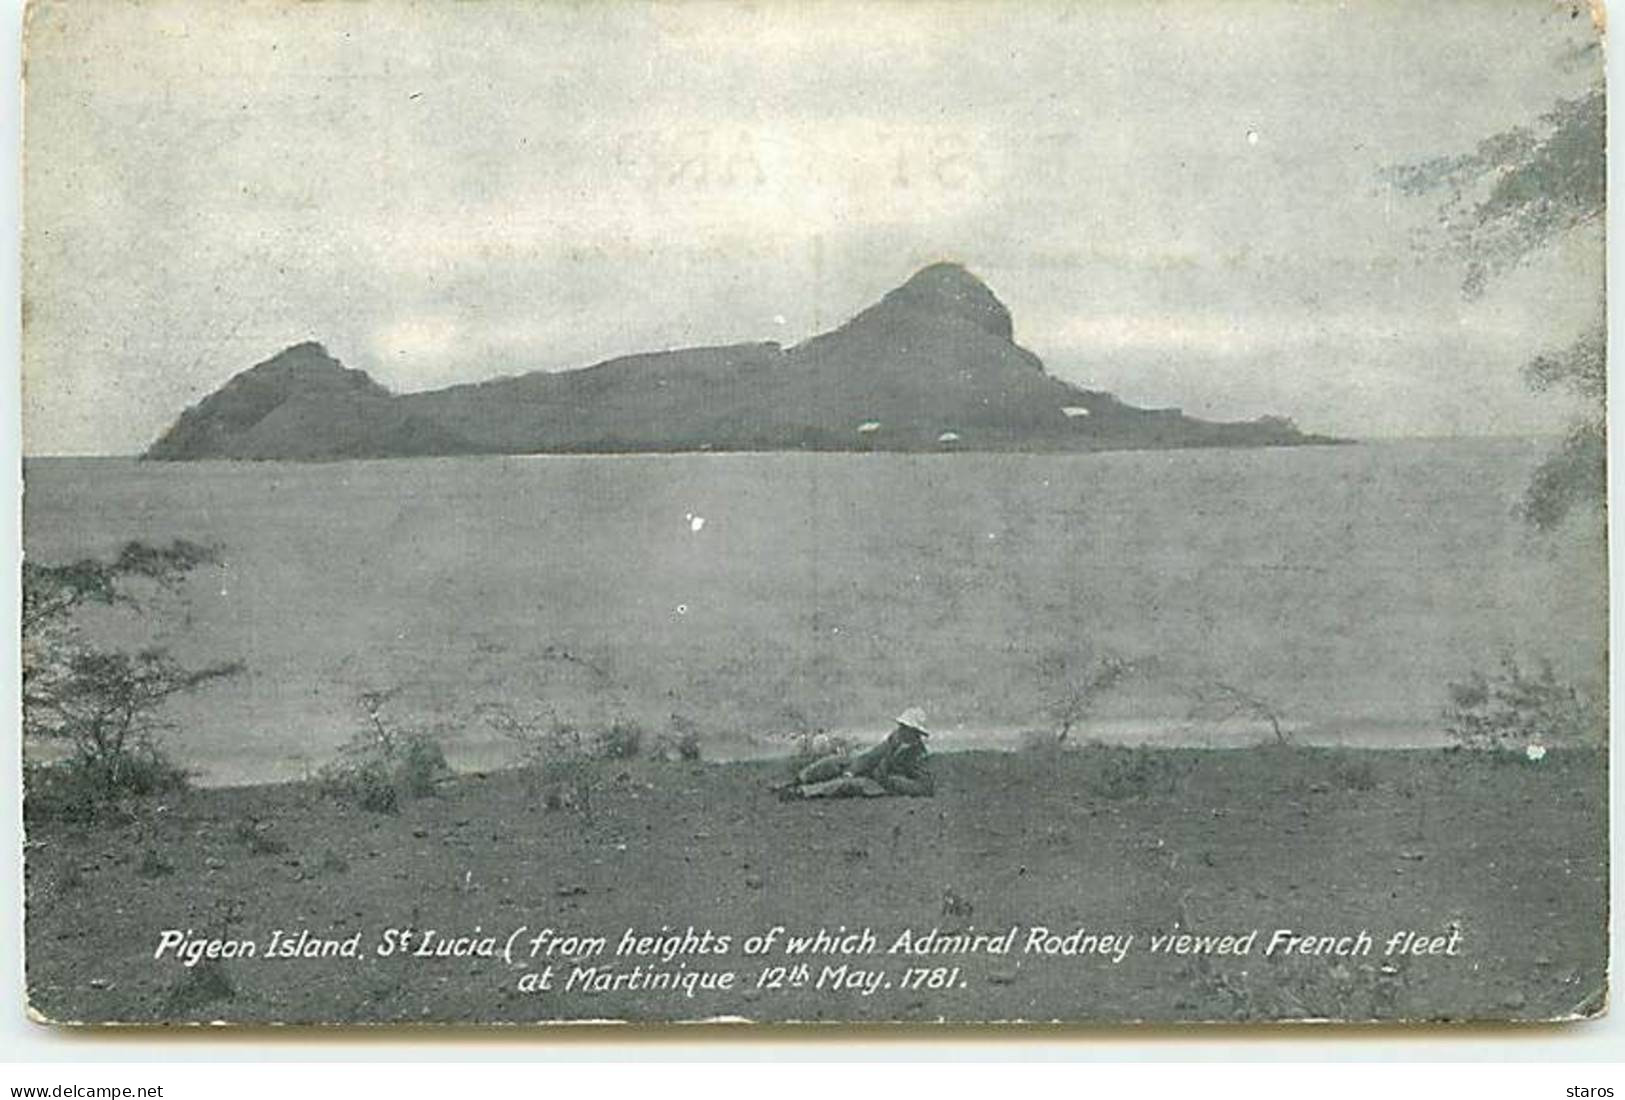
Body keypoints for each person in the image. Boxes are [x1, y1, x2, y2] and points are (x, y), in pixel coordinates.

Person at [775, 707, 936, 799]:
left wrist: (891, 781)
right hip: (876, 773)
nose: (900, 729)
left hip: (882, 785)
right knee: (837, 761)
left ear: (915, 732)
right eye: (901, 726)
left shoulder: (918, 755)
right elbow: (872, 756)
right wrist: (852, 770)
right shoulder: (894, 739)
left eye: (905, 727)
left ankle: (802, 792)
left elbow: (924, 787)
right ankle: (797, 780)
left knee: (847, 785)